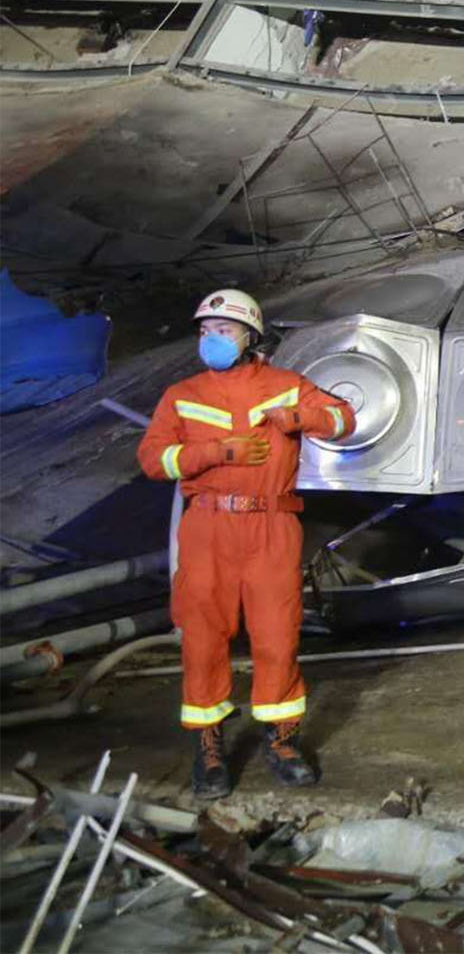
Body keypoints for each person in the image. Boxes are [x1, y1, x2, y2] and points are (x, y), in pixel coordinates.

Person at [136, 289, 357, 800]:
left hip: (271, 528)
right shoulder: (182, 394)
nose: (211, 340)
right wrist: (214, 451)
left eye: (223, 330)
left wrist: (302, 418)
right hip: (207, 529)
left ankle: (281, 740)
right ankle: (209, 746)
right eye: (205, 331)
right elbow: (152, 459)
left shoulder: (285, 386)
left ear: (251, 336)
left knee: (277, 635)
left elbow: (346, 418)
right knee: (203, 636)